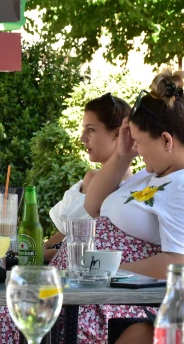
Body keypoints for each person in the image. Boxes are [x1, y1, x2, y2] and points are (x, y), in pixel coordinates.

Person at [0, 71, 184, 344]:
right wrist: (121, 155)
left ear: (167, 141)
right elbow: (93, 206)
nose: (140, 153)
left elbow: (182, 265)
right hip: (83, 293)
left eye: (142, 144)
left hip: (108, 304)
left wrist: (105, 273)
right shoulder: (156, 174)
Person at [43, 93, 132, 260]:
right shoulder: (92, 176)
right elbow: (67, 233)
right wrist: (44, 246)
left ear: (118, 134)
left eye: (91, 130)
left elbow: (85, 247)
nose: (82, 138)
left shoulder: (127, 190)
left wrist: (40, 253)